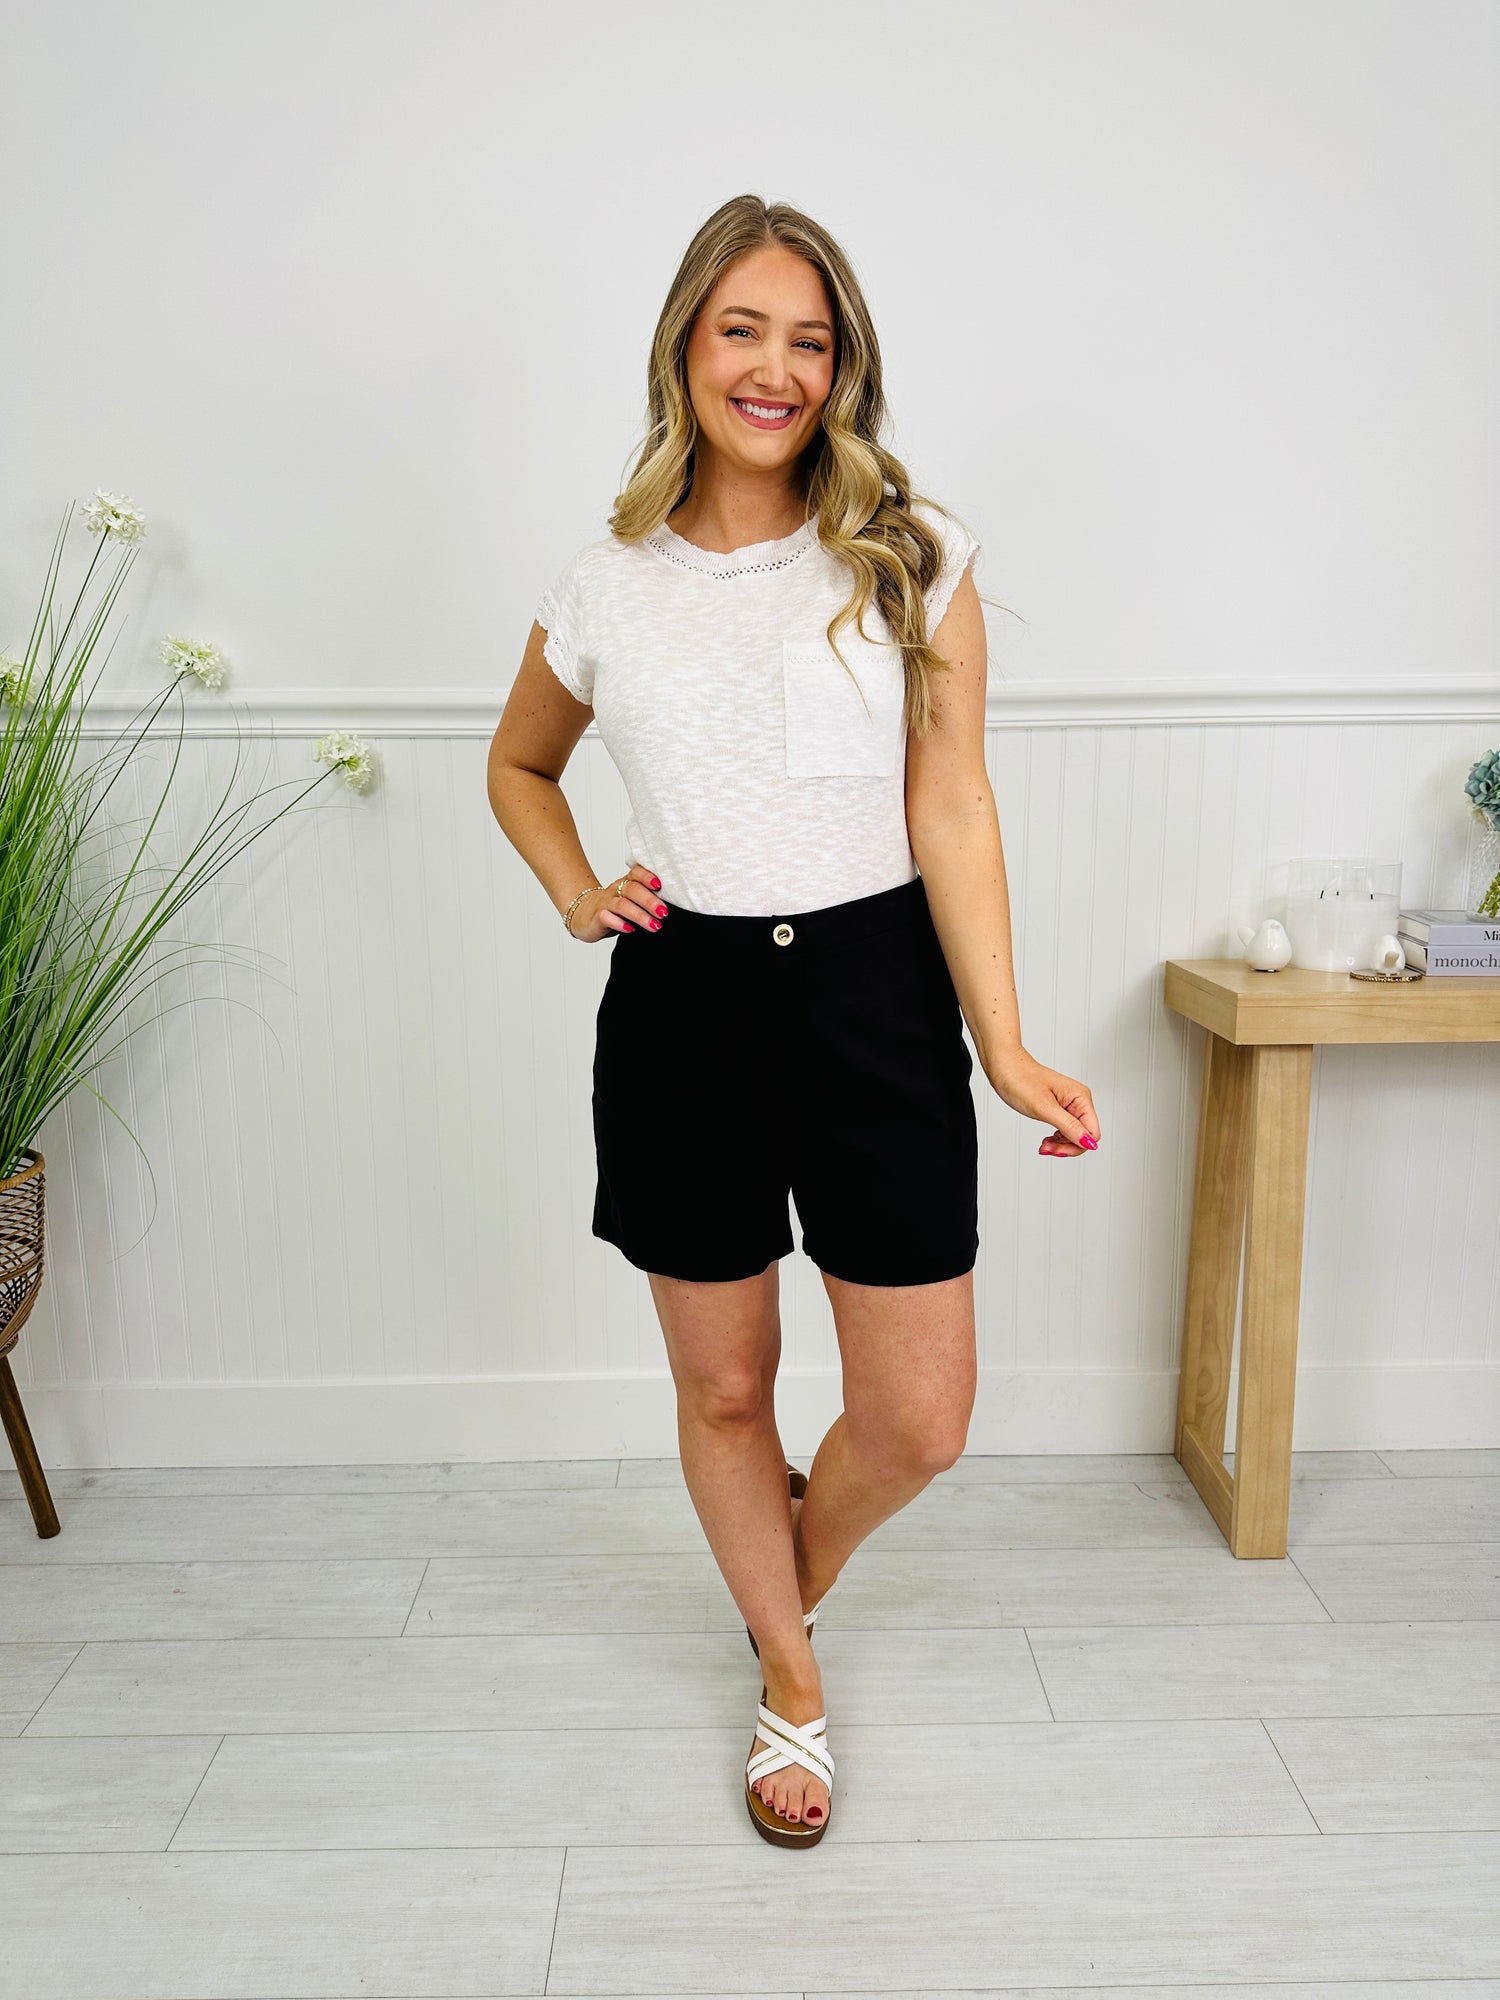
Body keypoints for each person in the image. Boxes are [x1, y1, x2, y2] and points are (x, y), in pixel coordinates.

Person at [487, 192, 1100, 1849]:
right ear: (684, 346)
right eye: (742, 330)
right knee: (727, 1396)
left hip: (874, 995)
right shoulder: (606, 582)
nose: (775, 369)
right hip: (683, 1005)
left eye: (810, 342)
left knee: (921, 1417)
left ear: (844, 370)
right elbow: (520, 765)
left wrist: (1003, 1040)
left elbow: (951, 804)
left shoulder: (912, 550)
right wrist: (575, 889)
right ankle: (788, 1674)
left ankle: (784, 1575)